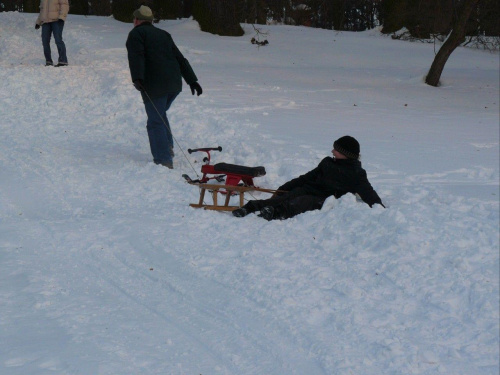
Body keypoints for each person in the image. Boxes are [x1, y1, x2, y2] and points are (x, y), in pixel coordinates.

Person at [232, 136, 385, 220]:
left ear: (345, 154)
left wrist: (381, 209)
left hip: (323, 199)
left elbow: (368, 192)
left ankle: (273, 213)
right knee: (287, 196)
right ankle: (251, 206)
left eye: (336, 150)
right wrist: (286, 187)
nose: (332, 150)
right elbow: (306, 177)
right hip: (308, 189)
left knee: (299, 203)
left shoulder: (356, 173)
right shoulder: (327, 163)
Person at [126, 5, 203, 169]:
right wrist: (192, 80)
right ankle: (167, 147)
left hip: (155, 84)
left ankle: (163, 159)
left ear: (138, 20)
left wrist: (138, 78)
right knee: (160, 114)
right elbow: (179, 58)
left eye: (134, 19)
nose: (133, 22)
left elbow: (136, 56)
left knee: (155, 121)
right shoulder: (163, 34)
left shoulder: (136, 34)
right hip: (174, 84)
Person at [35, 0, 70, 67]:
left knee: (58, 40)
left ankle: (63, 60)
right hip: (45, 22)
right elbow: (42, 10)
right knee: (45, 41)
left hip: (57, 21)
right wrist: (38, 22)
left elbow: (64, 5)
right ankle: (48, 61)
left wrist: (62, 17)